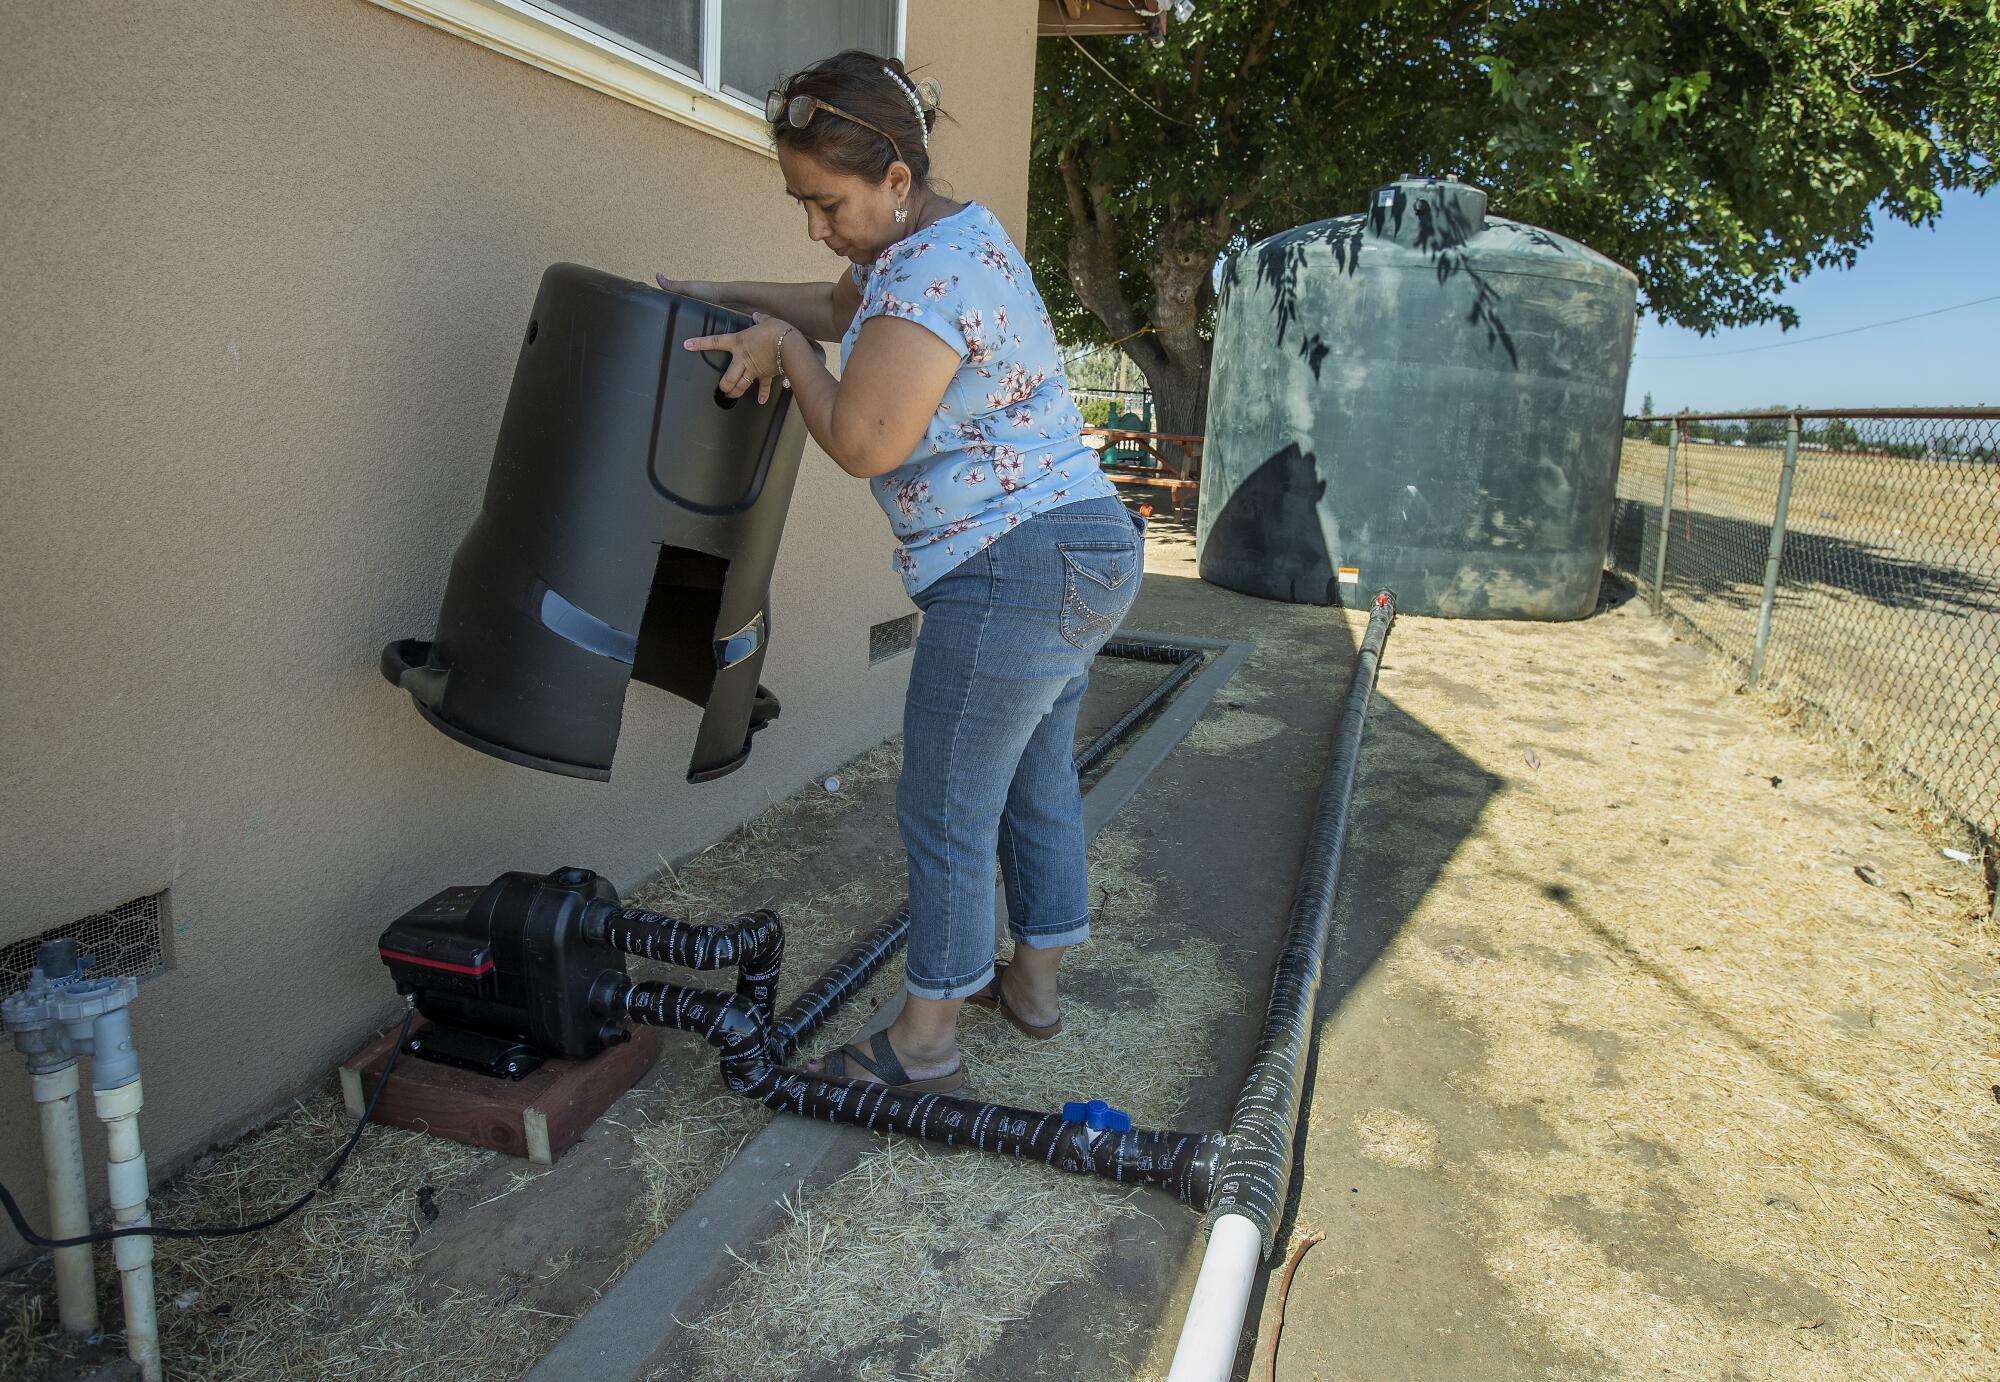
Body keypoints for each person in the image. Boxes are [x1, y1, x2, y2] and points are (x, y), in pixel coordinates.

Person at [657, 49, 1143, 1094]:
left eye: (825, 203)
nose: (814, 226)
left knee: (944, 804)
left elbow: (867, 438)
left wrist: (786, 353)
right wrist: (713, 288)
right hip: (1080, 544)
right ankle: (1032, 987)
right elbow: (841, 309)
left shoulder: (926, 272)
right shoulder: (940, 238)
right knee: (1030, 778)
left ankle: (923, 1040)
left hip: (1011, 564)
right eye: (799, 202)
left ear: (892, 180)